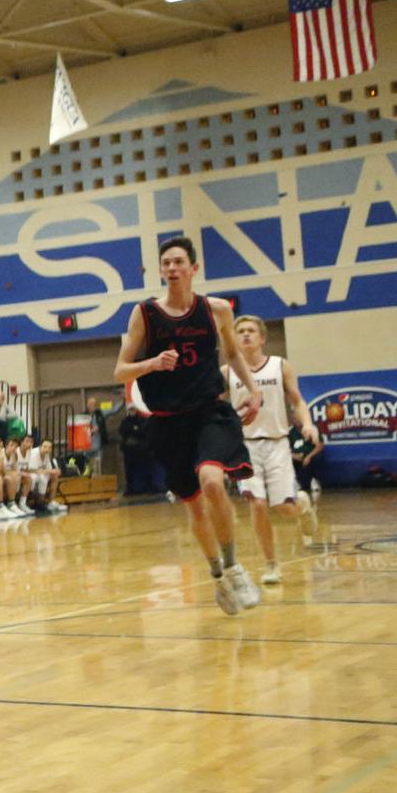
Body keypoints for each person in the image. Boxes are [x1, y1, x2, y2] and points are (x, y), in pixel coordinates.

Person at [113, 235, 263, 617]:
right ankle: (217, 575)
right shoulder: (144, 314)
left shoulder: (216, 311)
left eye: (179, 262)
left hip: (209, 411)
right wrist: (150, 364)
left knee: (213, 481)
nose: (173, 269)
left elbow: (231, 353)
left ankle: (234, 566)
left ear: (194, 268)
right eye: (166, 263)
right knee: (194, 508)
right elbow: (120, 370)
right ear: (160, 270)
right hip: (167, 423)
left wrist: (253, 388)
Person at [224, 314, 321, 585]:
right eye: (240, 331)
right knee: (257, 504)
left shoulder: (280, 366)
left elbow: (298, 401)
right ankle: (271, 564)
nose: (245, 335)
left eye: (251, 331)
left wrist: (308, 424)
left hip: (278, 442)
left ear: (262, 338)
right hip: (245, 446)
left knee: (283, 508)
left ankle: (303, 505)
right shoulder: (227, 372)